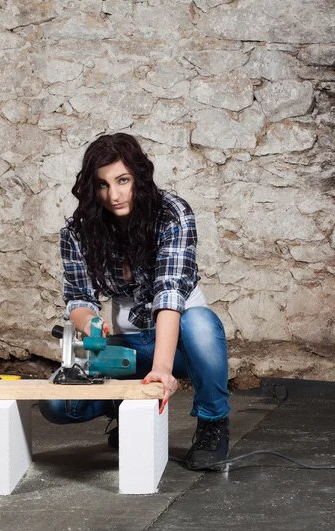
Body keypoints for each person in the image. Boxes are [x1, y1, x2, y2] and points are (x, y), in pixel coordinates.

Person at [39, 133, 230, 470]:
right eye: (102, 185)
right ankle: (125, 411)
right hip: (127, 343)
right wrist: (91, 324)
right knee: (56, 405)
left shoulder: (173, 214)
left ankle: (212, 423)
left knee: (199, 323)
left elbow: (169, 297)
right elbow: (80, 298)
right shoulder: (78, 231)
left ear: (139, 177)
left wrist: (161, 369)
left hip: (182, 338)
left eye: (123, 180)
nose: (113, 195)